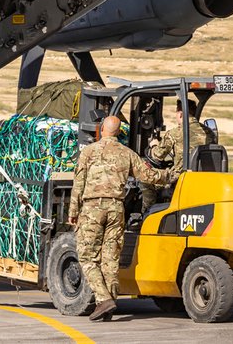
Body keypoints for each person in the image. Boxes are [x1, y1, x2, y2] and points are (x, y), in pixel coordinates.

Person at [68, 115, 167, 322]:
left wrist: (73, 212)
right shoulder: (127, 153)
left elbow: (78, 184)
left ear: (102, 129)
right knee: (110, 258)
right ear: (118, 132)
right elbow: (148, 176)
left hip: (93, 208)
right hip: (116, 208)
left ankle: (103, 299)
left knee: (87, 257)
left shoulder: (89, 151)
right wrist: (170, 175)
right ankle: (110, 304)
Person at [140, 99, 206, 210]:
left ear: (180, 114)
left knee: (145, 178)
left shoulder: (175, 133)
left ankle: (148, 214)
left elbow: (157, 155)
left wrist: (154, 145)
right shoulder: (209, 133)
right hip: (203, 177)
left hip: (179, 176)